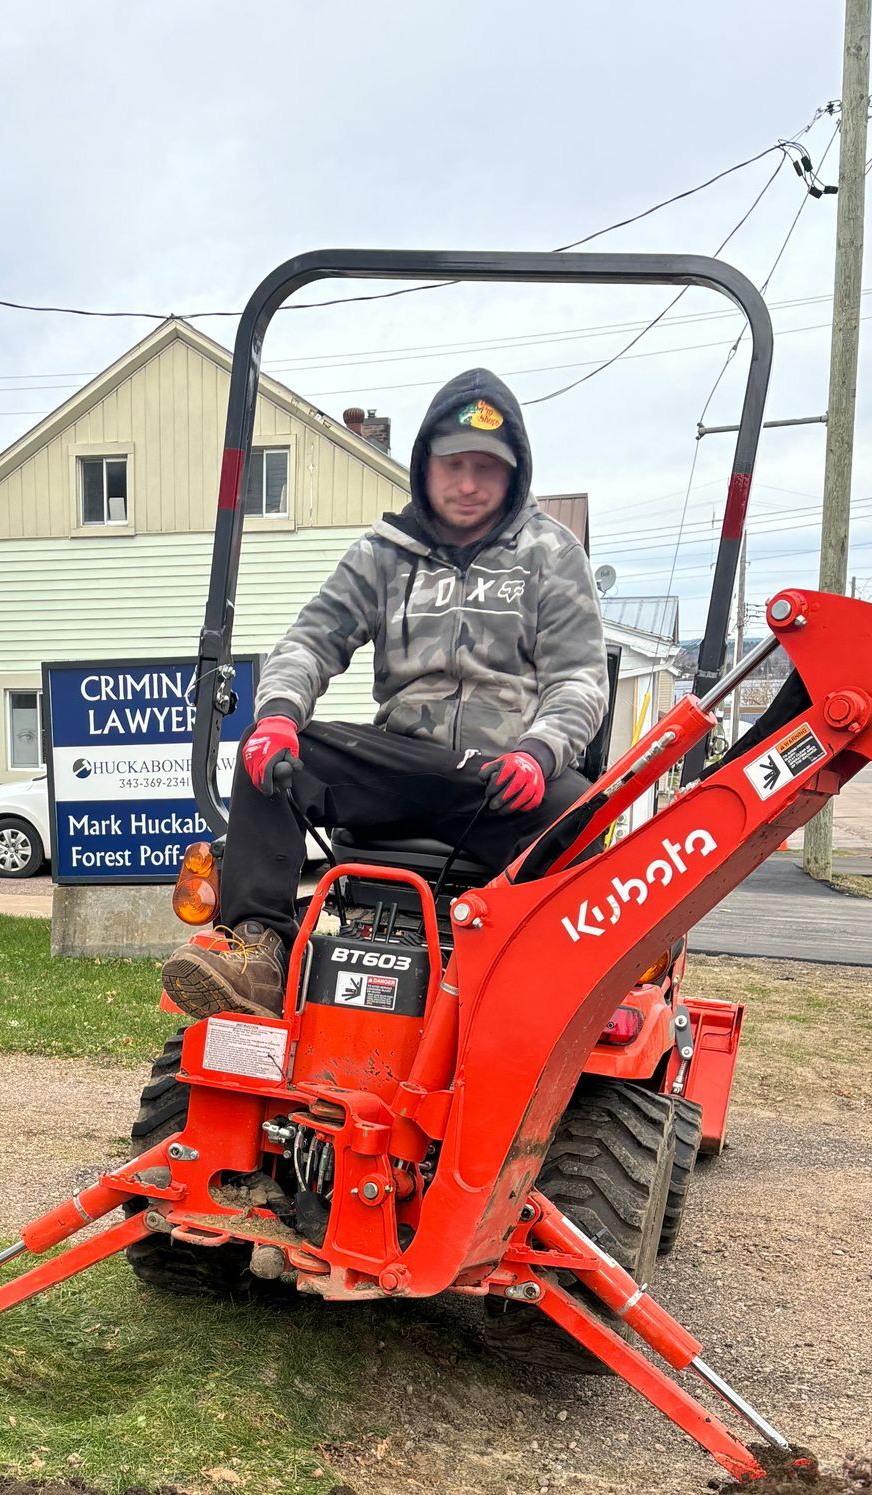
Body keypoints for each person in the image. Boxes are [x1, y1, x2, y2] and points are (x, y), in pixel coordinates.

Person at [161, 367, 610, 1018]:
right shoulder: (385, 554)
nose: (466, 483)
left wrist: (539, 754)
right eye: (452, 463)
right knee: (279, 757)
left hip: (501, 782)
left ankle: (536, 1001)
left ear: (514, 474)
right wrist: (280, 717)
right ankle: (259, 951)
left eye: (486, 467)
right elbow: (312, 640)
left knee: (582, 816)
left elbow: (579, 678)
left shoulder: (550, 552)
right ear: (424, 464)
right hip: (401, 766)